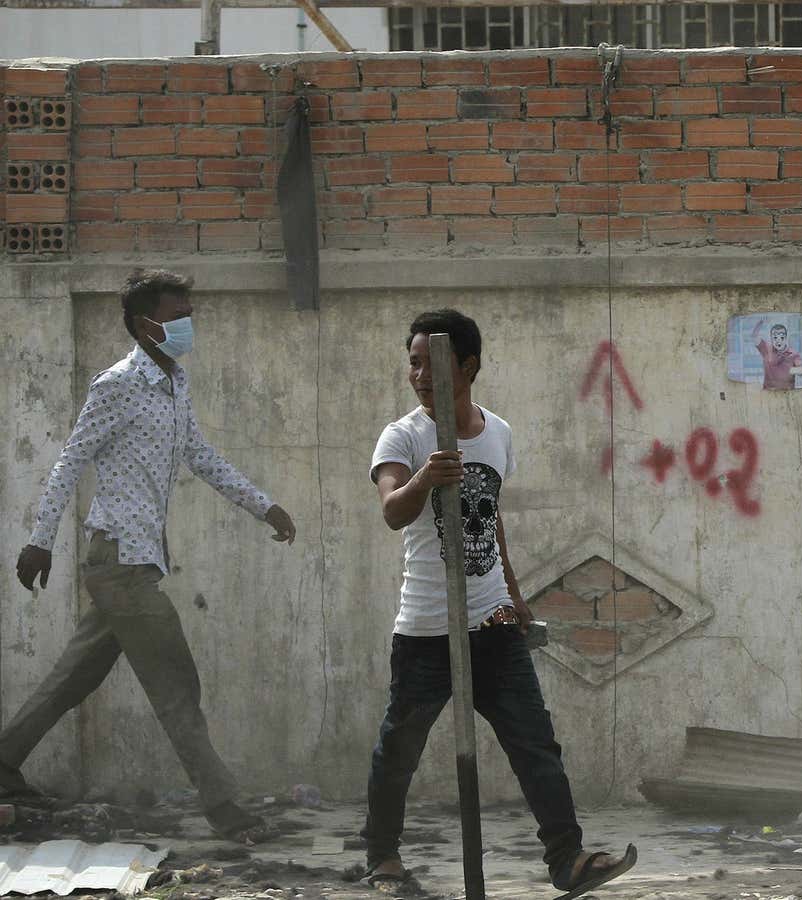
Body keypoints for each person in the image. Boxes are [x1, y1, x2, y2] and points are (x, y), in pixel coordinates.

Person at [6, 268, 295, 842]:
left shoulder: (175, 383)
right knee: (175, 684)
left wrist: (263, 506)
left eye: (189, 313)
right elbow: (70, 461)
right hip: (119, 564)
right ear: (143, 325)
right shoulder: (114, 385)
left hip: (138, 562)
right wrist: (40, 539)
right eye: (175, 315)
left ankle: (2, 759)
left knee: (72, 678)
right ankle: (225, 808)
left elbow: (199, 455)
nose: (187, 324)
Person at [362, 309, 634, 897]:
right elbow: (392, 512)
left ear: (467, 366)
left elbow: (493, 526)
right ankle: (382, 855)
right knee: (399, 748)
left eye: (430, 364)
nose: (420, 376)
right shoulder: (403, 436)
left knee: (534, 742)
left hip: (491, 626)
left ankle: (568, 858)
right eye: (412, 364)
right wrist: (424, 480)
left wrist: (516, 599)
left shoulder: (497, 433)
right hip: (427, 630)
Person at [752, 318, 802, 390]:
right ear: (771, 338)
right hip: (768, 394)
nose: (778, 340)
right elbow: (754, 336)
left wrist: (799, 369)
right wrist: (761, 321)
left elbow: (801, 372)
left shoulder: (794, 354)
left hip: (787, 394)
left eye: (782, 337)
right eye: (775, 337)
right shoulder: (766, 349)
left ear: (786, 338)